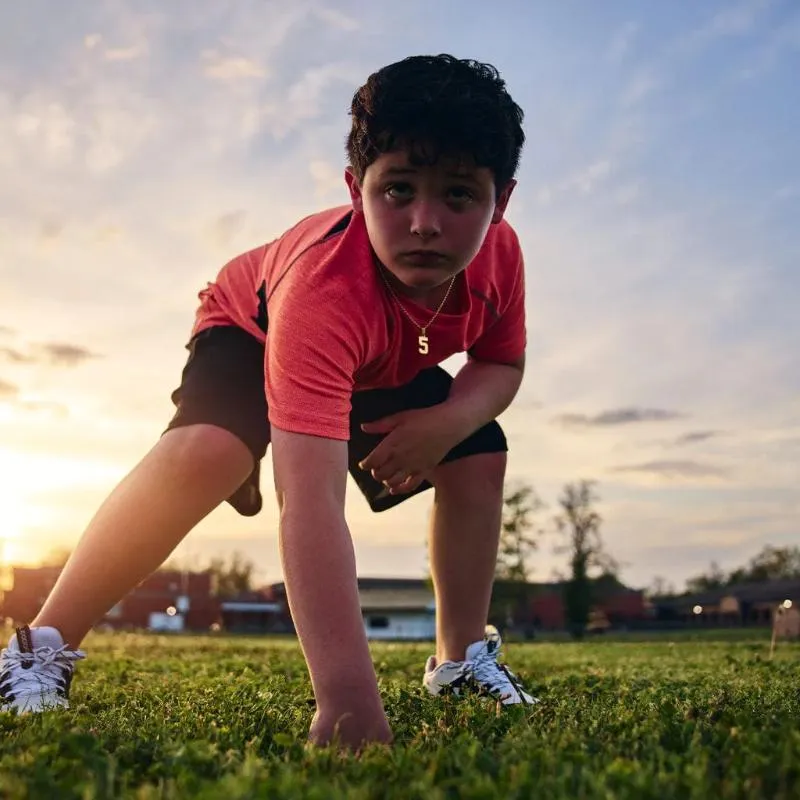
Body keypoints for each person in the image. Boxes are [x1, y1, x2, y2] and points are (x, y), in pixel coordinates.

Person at [0, 53, 536, 749]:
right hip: (252, 326)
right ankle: (38, 647)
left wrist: (448, 421)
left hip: (380, 355)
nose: (425, 223)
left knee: (477, 452)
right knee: (208, 452)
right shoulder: (324, 293)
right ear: (356, 188)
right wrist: (346, 700)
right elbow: (311, 506)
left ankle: (461, 659)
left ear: (502, 201)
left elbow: (500, 360)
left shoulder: (501, 258)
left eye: (459, 195)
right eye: (398, 190)